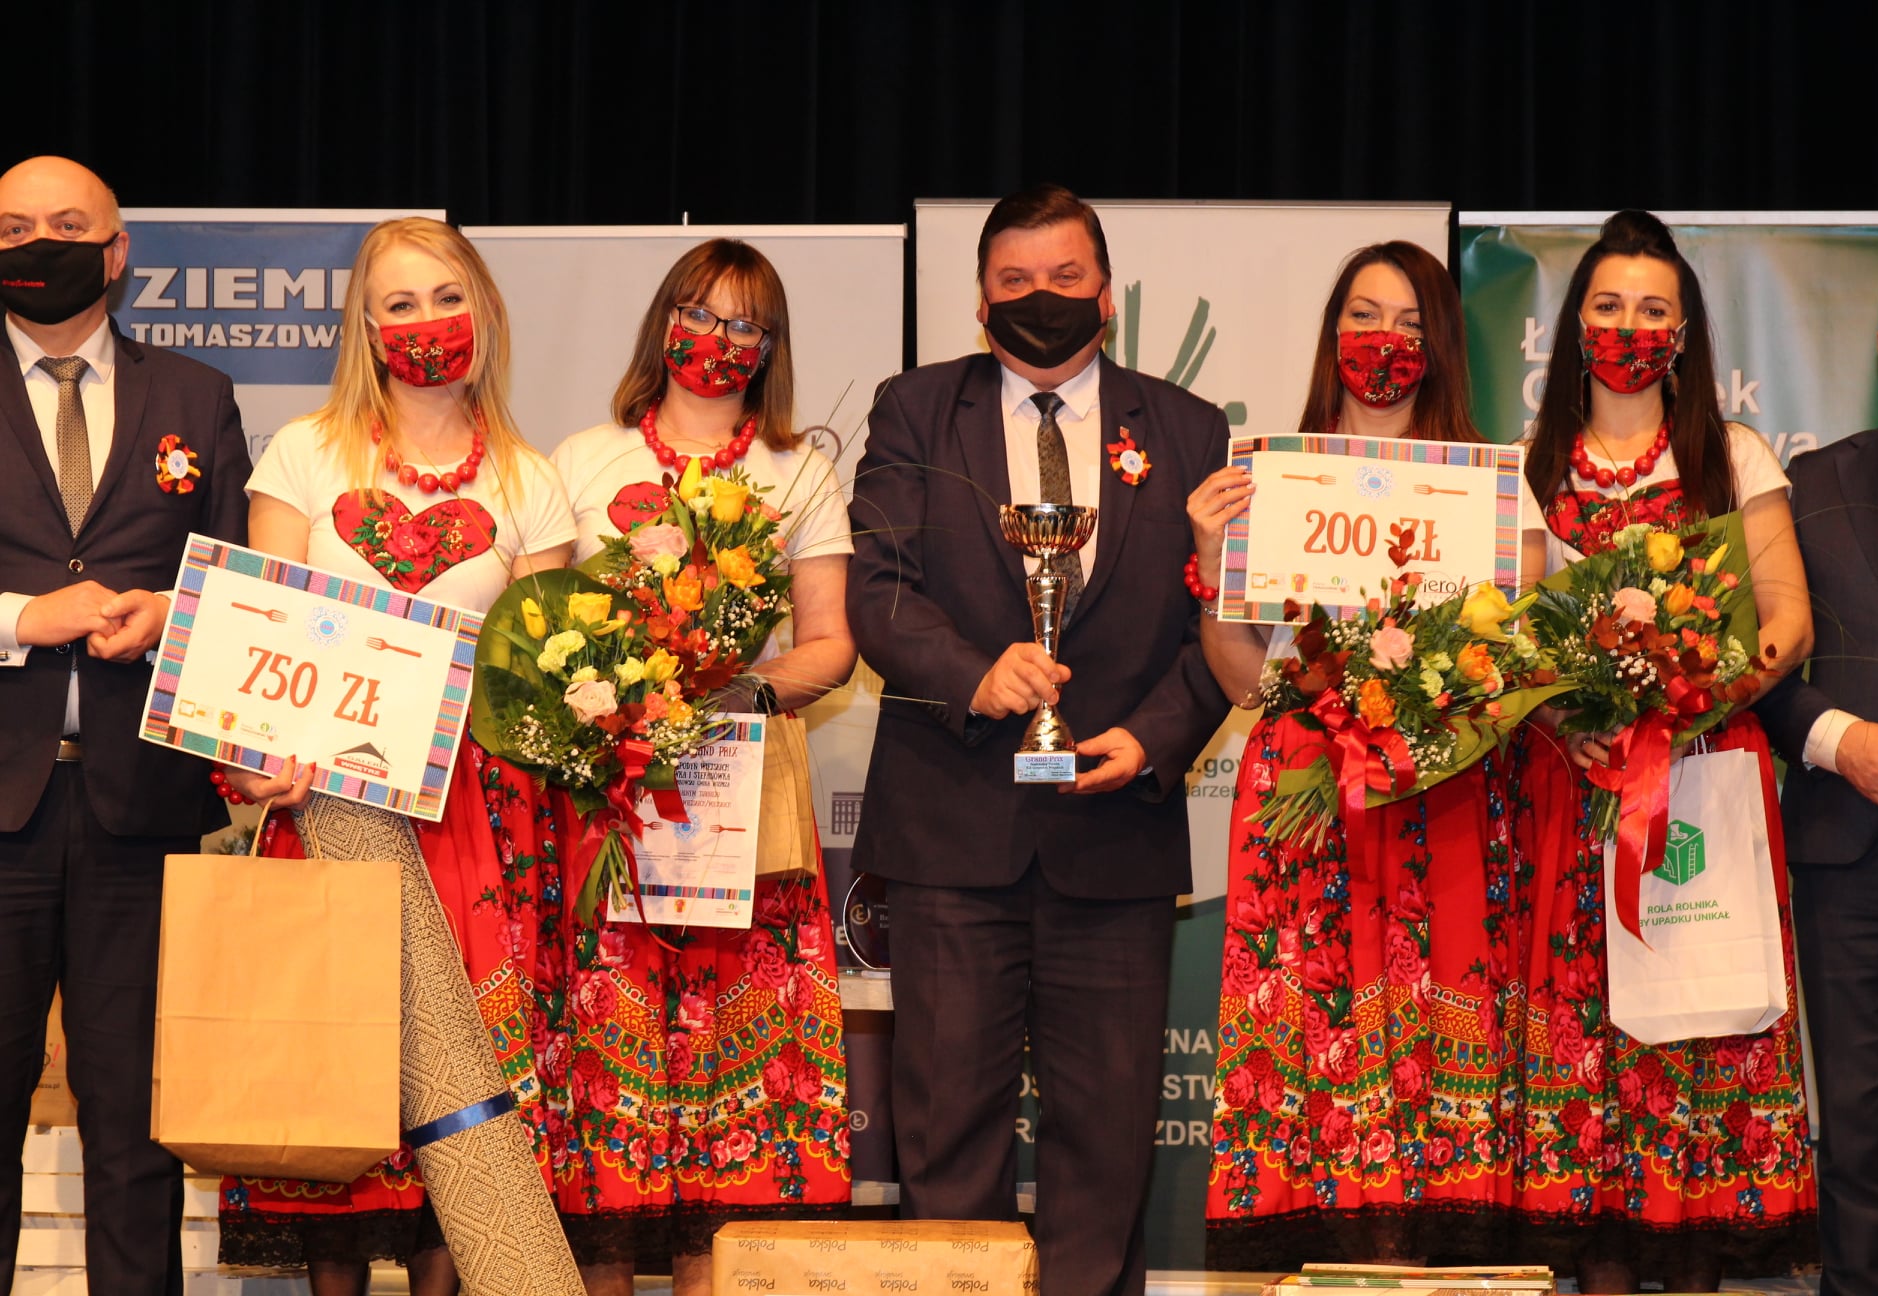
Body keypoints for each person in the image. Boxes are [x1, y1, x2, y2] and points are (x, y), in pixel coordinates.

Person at [846, 183, 1232, 1296]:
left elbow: (1220, 626)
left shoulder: (1188, 427)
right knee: (946, 1133)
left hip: (1115, 833)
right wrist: (975, 675)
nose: (1041, 298)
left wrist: (1154, 736)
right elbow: (879, 590)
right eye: (1014, 281)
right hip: (951, 835)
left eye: (1065, 277)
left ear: (1106, 294)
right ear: (980, 301)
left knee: (1106, 1146)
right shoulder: (917, 410)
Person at [214, 217, 578, 1296]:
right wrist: (255, 769)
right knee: (341, 1065)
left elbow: (542, 680)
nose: (429, 322)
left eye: (448, 297)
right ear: (366, 327)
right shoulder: (303, 452)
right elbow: (260, 642)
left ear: (486, 311)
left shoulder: (529, 479)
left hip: (480, 823)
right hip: (331, 804)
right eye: (401, 304)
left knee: (469, 1091)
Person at [1194, 242, 1550, 1265]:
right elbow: (1247, 685)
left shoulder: (1493, 488)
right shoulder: (1273, 478)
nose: (1382, 342)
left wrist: (1418, 711)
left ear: (1441, 347)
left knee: (1438, 1049)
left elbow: (1510, 663)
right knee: (1317, 1037)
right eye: (1363, 316)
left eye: (1408, 323)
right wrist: (1217, 560)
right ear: (1332, 333)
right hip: (1306, 799)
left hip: (1443, 791)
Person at [548, 238, 854, 1296]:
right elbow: (540, 629)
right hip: (613, 803)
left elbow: (831, 645)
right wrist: (612, 695)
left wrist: (743, 689)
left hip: (743, 800)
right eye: (698, 312)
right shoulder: (582, 460)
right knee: (611, 1094)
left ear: (770, 347)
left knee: (734, 1110)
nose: (717, 339)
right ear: (662, 321)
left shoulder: (798, 472)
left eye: (744, 324)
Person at [1515, 209, 1816, 1288]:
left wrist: (1690, 699)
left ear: (1684, 334)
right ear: (1575, 323)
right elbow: (1507, 645)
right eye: (1608, 306)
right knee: (1591, 1053)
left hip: (1702, 787)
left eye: (1653, 310)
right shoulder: (1525, 468)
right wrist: (1569, 717)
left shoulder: (1731, 455)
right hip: (1575, 794)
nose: (1628, 328)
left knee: (1698, 1032)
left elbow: (1789, 620)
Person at [0, 154, 250, 1295]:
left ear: (117, 252)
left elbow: (239, 586)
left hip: (140, 812)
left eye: (66, 225)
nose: (38, 246)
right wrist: (23, 617)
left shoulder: (196, 394)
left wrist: (172, 616)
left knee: (135, 1129)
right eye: (13, 229)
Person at [1756, 253, 1878, 1296]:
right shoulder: (1812, 479)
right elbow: (1761, 660)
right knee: (1860, 1139)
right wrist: (1842, 742)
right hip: (1846, 840)